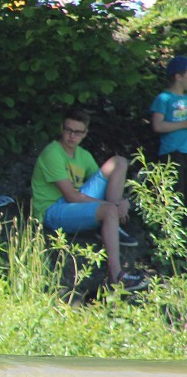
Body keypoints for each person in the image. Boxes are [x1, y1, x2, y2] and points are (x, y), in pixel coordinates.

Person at [31, 109, 144, 290]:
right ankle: (116, 275)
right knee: (109, 210)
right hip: (51, 210)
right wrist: (113, 207)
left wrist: (122, 201)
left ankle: (110, 222)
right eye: (68, 130)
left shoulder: (83, 155)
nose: (71, 136)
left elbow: (104, 184)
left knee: (119, 162)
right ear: (62, 128)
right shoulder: (52, 152)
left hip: (73, 204)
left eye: (77, 132)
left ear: (85, 134)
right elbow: (71, 195)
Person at [150, 56, 187, 201]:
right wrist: (183, 124)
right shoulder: (163, 98)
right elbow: (157, 125)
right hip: (172, 153)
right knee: (175, 195)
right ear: (178, 76)